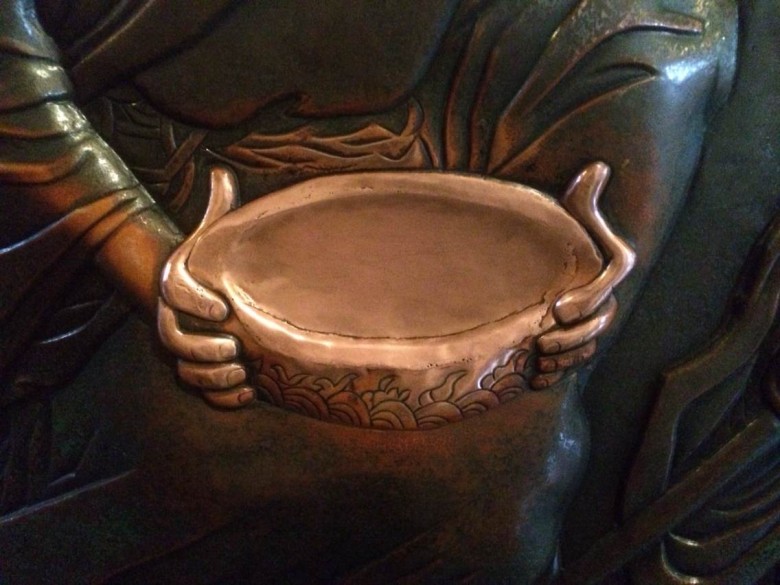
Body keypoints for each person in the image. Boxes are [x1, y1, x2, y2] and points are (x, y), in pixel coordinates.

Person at [0, 0, 737, 581]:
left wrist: (580, 272)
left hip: (449, 224)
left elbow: (649, 44)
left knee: (510, 492)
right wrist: (146, 257)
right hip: (133, 217)